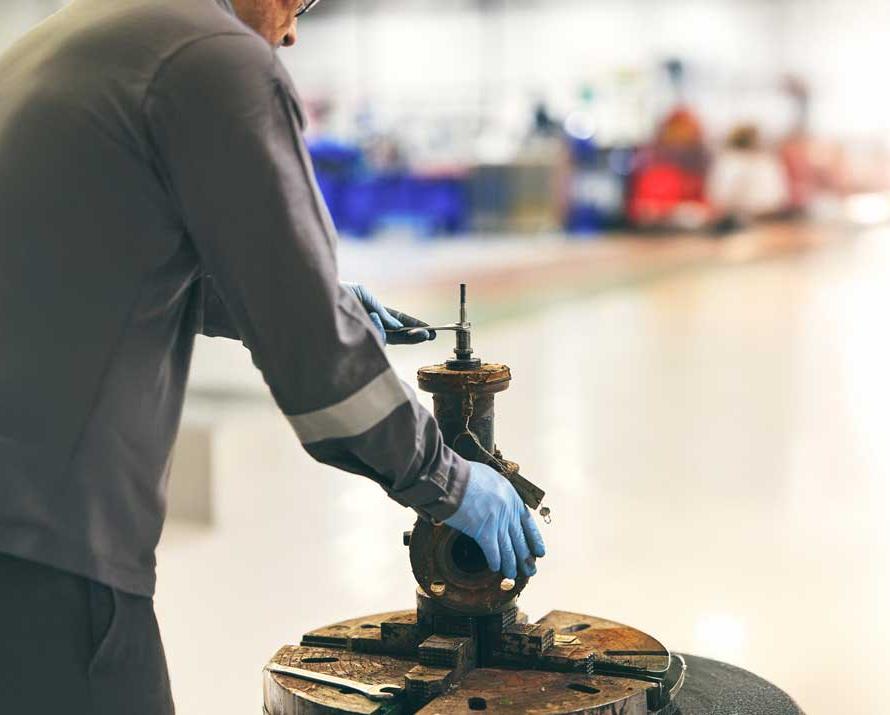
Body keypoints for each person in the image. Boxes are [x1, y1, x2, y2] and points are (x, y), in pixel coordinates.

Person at [0, 1, 546, 712]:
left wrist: (316, 297)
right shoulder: (215, 57)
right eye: (298, 0)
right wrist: (451, 482)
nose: (292, 30)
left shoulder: (65, 38)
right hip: (48, 557)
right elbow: (326, 376)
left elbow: (93, 265)